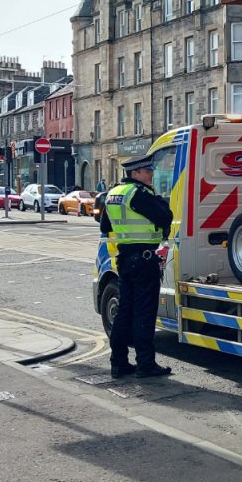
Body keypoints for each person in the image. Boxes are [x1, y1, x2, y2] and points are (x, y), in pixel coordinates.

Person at [100, 154, 174, 379]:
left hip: (125, 259)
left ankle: (119, 362)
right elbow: (165, 216)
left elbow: (104, 224)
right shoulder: (138, 194)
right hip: (145, 260)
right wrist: (160, 200)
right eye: (147, 170)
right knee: (144, 312)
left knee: (124, 312)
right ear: (135, 174)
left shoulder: (114, 194)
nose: (151, 173)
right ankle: (145, 363)